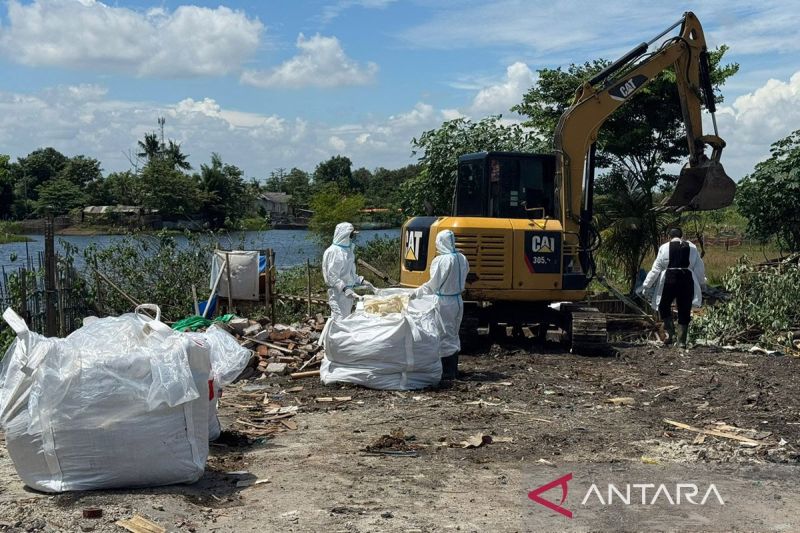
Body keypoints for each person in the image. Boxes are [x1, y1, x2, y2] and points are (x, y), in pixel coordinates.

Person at [410, 230, 469, 379]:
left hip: (444, 302)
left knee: (444, 334)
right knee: (454, 333)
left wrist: (418, 292)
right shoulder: (462, 258)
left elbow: (433, 283)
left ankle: (447, 372)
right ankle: (453, 368)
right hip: (457, 300)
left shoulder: (442, 260)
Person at [641, 228, 706, 348]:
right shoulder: (692, 247)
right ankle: (682, 341)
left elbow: (656, 268)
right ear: (682, 236)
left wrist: (646, 285)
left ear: (669, 236)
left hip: (669, 279)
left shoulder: (664, 247)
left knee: (663, 305)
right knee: (684, 308)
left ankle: (670, 335)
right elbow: (699, 267)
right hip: (686, 279)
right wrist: (701, 283)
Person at [322, 222, 375, 320]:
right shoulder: (334, 252)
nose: (352, 238)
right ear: (344, 235)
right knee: (338, 321)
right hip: (337, 294)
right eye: (351, 235)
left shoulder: (347, 251)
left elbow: (350, 274)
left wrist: (361, 281)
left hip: (348, 295)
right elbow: (332, 276)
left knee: (346, 321)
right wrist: (344, 288)